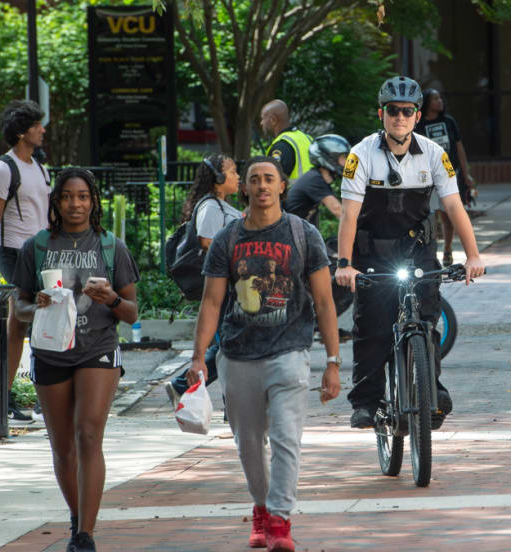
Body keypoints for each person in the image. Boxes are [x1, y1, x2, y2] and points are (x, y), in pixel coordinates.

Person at [189, 156, 341, 551]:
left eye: (268, 179)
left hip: (289, 351)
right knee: (249, 442)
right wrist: (197, 357)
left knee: (287, 437)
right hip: (237, 353)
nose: (260, 186)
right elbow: (210, 302)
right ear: (245, 188)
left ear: (281, 187)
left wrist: (333, 362)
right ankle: (261, 508)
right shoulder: (228, 239)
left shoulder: (303, 234)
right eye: (254, 179)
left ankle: (279, 520)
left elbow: (324, 303)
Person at [334, 76, 485, 430]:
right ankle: (367, 402)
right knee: (372, 326)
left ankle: (431, 388)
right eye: (392, 110)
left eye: (407, 111)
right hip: (372, 253)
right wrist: (345, 264)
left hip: (417, 250)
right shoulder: (361, 154)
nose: (399, 117)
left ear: (417, 116)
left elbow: (454, 206)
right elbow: (349, 214)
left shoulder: (434, 154)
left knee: (427, 322)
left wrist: (474, 255)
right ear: (381, 113)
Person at [12, 168, 140, 552]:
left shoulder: (110, 246)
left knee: (88, 435)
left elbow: (132, 312)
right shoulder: (35, 247)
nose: (75, 204)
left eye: (83, 196)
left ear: (93, 201)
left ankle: (85, 534)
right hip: (51, 352)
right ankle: (76, 515)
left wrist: (111, 300)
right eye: (67, 196)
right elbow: (17, 308)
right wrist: (35, 305)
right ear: (56, 202)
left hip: (96, 347)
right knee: (63, 446)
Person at [0, 100, 52, 423]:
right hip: (12, 252)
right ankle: (9, 396)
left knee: (31, 322)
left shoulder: (39, 168)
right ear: (23, 131)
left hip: (41, 253)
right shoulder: (2, 169)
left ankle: (32, 396)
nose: (43, 129)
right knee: (26, 320)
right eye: (38, 125)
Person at [164, 154, 242, 405]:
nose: (238, 176)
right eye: (232, 172)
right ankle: (181, 386)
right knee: (227, 346)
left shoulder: (220, 205)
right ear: (218, 179)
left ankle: (181, 387)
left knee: (228, 345)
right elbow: (208, 242)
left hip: (231, 286)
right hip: (221, 287)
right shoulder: (210, 207)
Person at [415, 89, 478, 267]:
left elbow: (459, 148)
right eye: (435, 98)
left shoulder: (448, 122)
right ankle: (431, 251)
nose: (440, 101)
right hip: (426, 179)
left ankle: (448, 250)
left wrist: (467, 175)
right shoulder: (418, 125)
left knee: (447, 216)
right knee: (429, 217)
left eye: (441, 98)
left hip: (450, 174)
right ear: (426, 102)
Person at [283, 134, 349, 225]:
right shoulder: (314, 180)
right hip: (287, 233)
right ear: (329, 158)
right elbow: (337, 210)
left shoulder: (318, 178)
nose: (346, 163)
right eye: (343, 158)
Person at [261, 99, 314, 181]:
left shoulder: (282, 146)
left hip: (293, 193)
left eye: (263, 119)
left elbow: (273, 183)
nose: (261, 123)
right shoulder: (307, 138)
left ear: (273, 120)